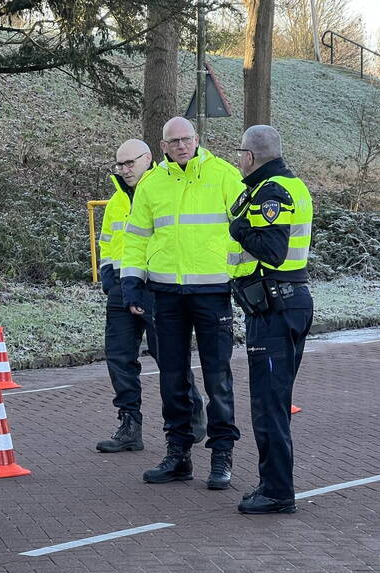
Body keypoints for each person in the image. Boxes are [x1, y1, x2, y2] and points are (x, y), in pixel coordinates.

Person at [121, 117, 243, 489]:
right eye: (173, 141)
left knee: (217, 377)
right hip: (166, 293)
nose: (181, 146)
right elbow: (137, 238)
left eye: (186, 139)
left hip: (212, 293)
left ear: (197, 139)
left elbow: (243, 231)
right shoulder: (152, 184)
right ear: (162, 147)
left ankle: (221, 455)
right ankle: (178, 454)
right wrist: (132, 283)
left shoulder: (224, 175)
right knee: (172, 378)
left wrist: (238, 278)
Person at [97, 139, 206, 452]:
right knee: (119, 357)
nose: (125, 170)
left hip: (158, 287)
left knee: (168, 355)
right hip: (121, 287)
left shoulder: (165, 189)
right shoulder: (118, 199)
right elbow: (108, 242)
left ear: (148, 159)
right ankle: (129, 424)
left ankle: (191, 407)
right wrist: (109, 277)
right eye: (120, 164)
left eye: (131, 163)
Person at [227, 125, 314, 514]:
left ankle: (277, 491)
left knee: (269, 403)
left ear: (250, 156)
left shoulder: (271, 191)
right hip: (289, 300)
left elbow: (273, 251)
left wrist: (239, 228)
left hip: (274, 306)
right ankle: (273, 484)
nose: (238, 160)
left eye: (240, 154)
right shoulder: (292, 184)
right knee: (274, 400)